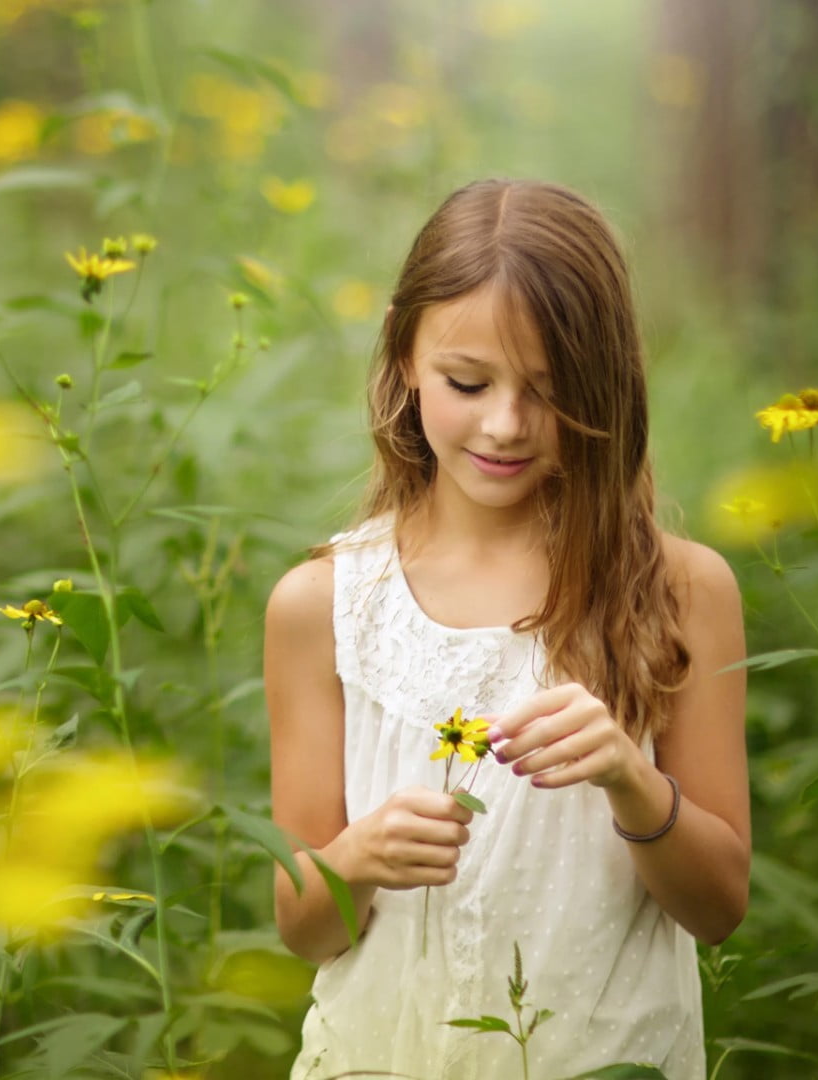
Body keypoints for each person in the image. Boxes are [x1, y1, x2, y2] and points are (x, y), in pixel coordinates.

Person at [264, 178, 751, 1079]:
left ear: (608, 384)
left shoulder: (681, 591)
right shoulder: (322, 604)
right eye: (467, 382)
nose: (506, 425)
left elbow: (719, 907)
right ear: (404, 355)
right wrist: (357, 858)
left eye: (550, 391)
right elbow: (305, 930)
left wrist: (629, 780)